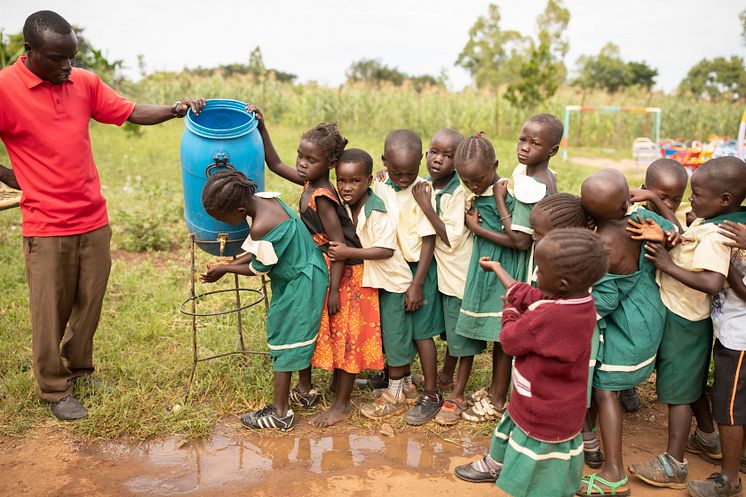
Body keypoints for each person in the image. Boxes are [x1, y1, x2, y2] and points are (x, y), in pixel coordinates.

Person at [0, 10, 205, 421]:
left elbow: (128, 111)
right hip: (46, 222)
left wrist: (175, 108)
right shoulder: (5, 88)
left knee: (88, 302)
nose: (67, 67)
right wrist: (14, 175)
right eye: (57, 58)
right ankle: (55, 388)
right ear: (29, 51)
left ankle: (81, 370)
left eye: (72, 57)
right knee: (49, 309)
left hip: (93, 216)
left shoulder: (83, 82)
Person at [247, 105, 380, 426]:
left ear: (330, 164)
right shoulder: (309, 183)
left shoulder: (322, 196)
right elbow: (275, 163)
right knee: (331, 330)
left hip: (346, 274)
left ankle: (342, 404)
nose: (301, 164)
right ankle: (330, 386)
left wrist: (334, 289)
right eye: (301, 156)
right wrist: (262, 128)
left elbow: (338, 247)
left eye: (310, 160)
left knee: (346, 335)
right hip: (327, 268)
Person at [455, 228, 608, 497]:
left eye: (539, 269)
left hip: (540, 412)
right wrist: (498, 269)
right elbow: (531, 295)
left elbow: (511, 340)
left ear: (561, 283)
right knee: (515, 430)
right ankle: (496, 464)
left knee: (536, 472)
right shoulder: (582, 303)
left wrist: (510, 311)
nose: (535, 274)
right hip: (558, 407)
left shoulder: (548, 317)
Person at [631, 157, 746, 490]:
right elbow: (684, 233)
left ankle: (674, 463)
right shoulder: (717, 220)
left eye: (696, 194)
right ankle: (708, 436)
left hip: (686, 316)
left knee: (679, 392)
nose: (690, 201)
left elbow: (712, 281)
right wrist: (655, 202)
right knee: (689, 381)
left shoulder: (717, 233)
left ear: (724, 199)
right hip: (695, 317)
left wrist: (667, 264)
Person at [199, 170, 327, 432]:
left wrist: (225, 269)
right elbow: (261, 250)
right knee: (299, 333)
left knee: (285, 338)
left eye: (224, 218)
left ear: (239, 209)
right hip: (305, 270)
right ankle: (305, 391)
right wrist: (229, 263)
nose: (225, 223)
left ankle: (280, 413)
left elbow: (257, 267)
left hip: (299, 283)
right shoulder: (266, 201)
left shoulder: (261, 226)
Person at [577, 168, 678, 496]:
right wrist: (653, 201)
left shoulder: (602, 246)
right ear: (626, 203)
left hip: (627, 326)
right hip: (649, 313)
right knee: (612, 385)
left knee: (606, 391)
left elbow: (604, 301)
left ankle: (614, 472)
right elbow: (675, 230)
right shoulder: (640, 221)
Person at [360, 129, 446, 426]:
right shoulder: (382, 183)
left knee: (421, 334)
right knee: (396, 329)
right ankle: (405, 384)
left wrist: (418, 283)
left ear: (420, 163)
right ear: (385, 163)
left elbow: (428, 240)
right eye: (397, 172)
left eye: (410, 172)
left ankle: (429, 394)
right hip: (391, 268)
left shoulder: (422, 191)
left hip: (417, 270)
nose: (404, 178)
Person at [453, 133, 533, 423]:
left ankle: (498, 398)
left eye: (478, 179)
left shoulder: (510, 193)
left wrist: (478, 230)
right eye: (466, 181)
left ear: (495, 165)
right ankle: (492, 389)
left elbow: (519, 242)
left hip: (505, 268)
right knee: (495, 331)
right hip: (487, 266)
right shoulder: (479, 190)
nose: (473, 185)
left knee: (504, 334)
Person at [324, 148, 406, 425]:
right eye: (342, 181)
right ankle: (347, 385)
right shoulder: (344, 203)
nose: (347, 187)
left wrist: (347, 253)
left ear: (368, 181)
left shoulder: (377, 211)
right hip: (365, 278)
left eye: (355, 181)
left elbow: (385, 251)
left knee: (388, 338)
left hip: (389, 279)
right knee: (357, 333)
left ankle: (396, 390)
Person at [410, 128, 483, 425]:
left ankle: (459, 395)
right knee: (449, 332)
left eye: (448, 155)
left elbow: (450, 237)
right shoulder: (427, 184)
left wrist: (427, 206)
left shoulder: (457, 192)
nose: (438, 160)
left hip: (458, 274)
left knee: (461, 336)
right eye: (434, 152)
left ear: (459, 162)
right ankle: (444, 376)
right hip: (440, 273)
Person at [620, 158, 688, 413]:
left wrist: (656, 200)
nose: (669, 204)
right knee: (625, 338)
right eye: (663, 197)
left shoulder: (668, 222)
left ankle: (632, 382)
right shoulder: (635, 217)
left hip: (656, 294)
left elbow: (677, 232)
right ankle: (626, 386)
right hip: (630, 291)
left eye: (676, 199)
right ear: (643, 189)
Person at [687, 218, 746, 497]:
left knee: (728, 408)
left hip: (740, 341)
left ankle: (729, 479)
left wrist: (725, 261)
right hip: (730, 334)